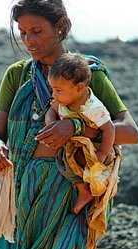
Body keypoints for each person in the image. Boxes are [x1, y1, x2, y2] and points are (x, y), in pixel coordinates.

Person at [0, 0, 138, 249]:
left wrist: (75, 128)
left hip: (72, 192)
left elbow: (130, 132)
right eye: (23, 33)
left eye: (37, 31)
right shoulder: (17, 76)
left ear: (60, 27)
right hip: (26, 191)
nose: (29, 40)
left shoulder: (86, 74)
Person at [45, 53, 115, 215]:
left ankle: (90, 191)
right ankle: (83, 190)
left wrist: (102, 153)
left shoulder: (92, 108)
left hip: (93, 148)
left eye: (58, 90)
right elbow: (51, 111)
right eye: (52, 90)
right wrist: (52, 125)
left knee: (93, 173)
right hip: (71, 146)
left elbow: (109, 129)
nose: (54, 95)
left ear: (79, 87)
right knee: (63, 162)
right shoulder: (62, 101)